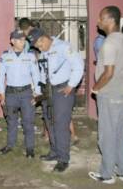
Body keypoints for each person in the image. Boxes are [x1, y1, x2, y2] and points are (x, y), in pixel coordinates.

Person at [28, 28, 84, 172]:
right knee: (49, 122)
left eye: (39, 45)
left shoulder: (63, 47)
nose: (39, 48)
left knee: (60, 124)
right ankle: (54, 152)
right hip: (48, 91)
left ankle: (63, 159)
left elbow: (78, 65)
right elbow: (42, 73)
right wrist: (39, 93)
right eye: (37, 47)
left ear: (44, 38)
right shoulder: (44, 51)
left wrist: (71, 85)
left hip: (62, 90)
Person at [88, 6, 123, 184]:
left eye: (100, 18)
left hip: (110, 93)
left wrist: (95, 88)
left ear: (110, 20)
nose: (98, 21)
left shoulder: (110, 43)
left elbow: (108, 73)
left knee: (106, 135)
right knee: (120, 133)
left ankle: (106, 175)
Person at [0, 29, 41, 158]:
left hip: (26, 93)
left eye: (24, 39)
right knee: (11, 121)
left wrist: (37, 93)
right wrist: (1, 93)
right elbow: (0, 76)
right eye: (20, 40)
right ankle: (10, 145)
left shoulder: (30, 56)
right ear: (12, 41)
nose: (23, 42)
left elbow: (36, 76)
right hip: (10, 93)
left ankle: (30, 149)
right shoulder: (5, 56)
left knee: (28, 121)